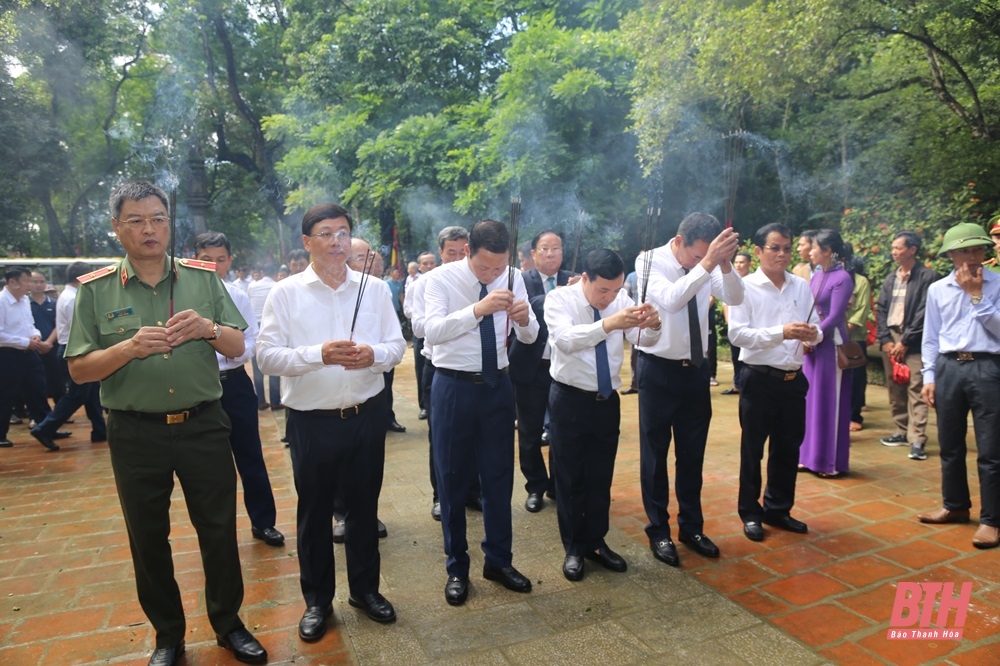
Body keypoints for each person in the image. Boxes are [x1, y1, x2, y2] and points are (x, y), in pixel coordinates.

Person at [65, 181, 266, 666]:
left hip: (203, 425)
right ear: (117, 228)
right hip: (136, 432)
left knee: (218, 529)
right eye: (136, 221)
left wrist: (209, 329)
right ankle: (168, 635)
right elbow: (79, 370)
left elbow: (238, 346)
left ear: (169, 223)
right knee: (147, 536)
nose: (149, 229)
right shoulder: (96, 289)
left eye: (157, 218)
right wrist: (128, 348)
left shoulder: (202, 279)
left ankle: (229, 623)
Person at [257, 203, 405, 636]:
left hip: (365, 415)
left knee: (363, 509)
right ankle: (318, 601)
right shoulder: (286, 293)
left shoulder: (373, 289)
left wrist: (373, 354)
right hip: (312, 421)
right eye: (326, 233)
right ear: (307, 242)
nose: (336, 241)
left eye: (342, 232)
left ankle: (366, 590)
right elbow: (266, 357)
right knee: (315, 513)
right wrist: (317, 355)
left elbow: (397, 345)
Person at [424, 219, 539, 606]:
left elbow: (531, 335)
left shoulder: (513, 276)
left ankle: (499, 560)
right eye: (484, 267)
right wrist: (478, 309)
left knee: (498, 476)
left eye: (499, 267)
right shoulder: (440, 279)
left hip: (497, 386)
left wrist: (524, 319)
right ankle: (457, 567)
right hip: (453, 385)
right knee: (453, 479)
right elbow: (430, 330)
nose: (492, 274)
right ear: (468, 252)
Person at [545, 248, 660, 580]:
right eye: (603, 290)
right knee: (570, 477)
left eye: (616, 289)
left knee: (600, 476)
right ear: (585, 278)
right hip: (569, 398)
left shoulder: (620, 298)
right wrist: (608, 323)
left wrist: (653, 324)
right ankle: (573, 547)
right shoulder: (559, 299)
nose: (610, 297)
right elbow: (565, 340)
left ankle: (596, 541)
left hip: (606, 401)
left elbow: (642, 339)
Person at [636, 212, 743, 567]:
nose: (700, 262)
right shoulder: (650, 260)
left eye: (705, 257)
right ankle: (658, 530)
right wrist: (708, 262)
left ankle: (691, 527)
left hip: (695, 371)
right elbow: (671, 299)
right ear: (680, 241)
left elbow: (735, 297)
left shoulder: (708, 260)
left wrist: (723, 264)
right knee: (655, 455)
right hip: (658, 369)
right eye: (697, 256)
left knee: (692, 454)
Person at [729, 224, 821, 542]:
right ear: (758, 251)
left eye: (787, 248)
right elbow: (737, 334)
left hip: (793, 380)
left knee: (787, 447)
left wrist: (813, 334)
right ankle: (750, 512)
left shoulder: (801, 286)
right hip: (759, 378)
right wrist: (781, 332)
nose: (782, 254)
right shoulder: (744, 288)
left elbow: (817, 327)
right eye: (775, 248)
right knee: (753, 449)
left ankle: (778, 508)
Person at [193, 232, 284, 548]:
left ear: (229, 261)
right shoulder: (180, 298)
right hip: (198, 387)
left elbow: (250, 342)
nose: (213, 266)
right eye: (206, 260)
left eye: (220, 259)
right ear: (194, 261)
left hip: (234, 384)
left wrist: (228, 351)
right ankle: (216, 532)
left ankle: (263, 522)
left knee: (250, 455)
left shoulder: (237, 296)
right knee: (207, 464)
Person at [917, 222, 1000, 549]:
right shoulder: (937, 289)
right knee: (950, 444)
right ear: (950, 255)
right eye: (965, 251)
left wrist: (976, 296)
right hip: (949, 367)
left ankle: (992, 519)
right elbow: (930, 336)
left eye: (978, 249)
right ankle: (955, 506)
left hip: (988, 367)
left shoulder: (997, 284)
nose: (973, 257)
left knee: (991, 449)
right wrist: (929, 376)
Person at [407, 226, 481, 520]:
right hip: (438, 368)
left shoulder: (479, 279)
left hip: (473, 369)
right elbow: (419, 328)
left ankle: (473, 491)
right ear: (440, 252)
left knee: (474, 435)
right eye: (451, 252)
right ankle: (441, 495)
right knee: (441, 438)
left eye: (463, 252)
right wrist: (459, 317)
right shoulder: (427, 283)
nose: (458, 258)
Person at [509, 230, 574, 513]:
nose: (551, 254)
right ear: (533, 254)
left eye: (556, 248)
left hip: (566, 368)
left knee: (563, 430)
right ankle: (535, 485)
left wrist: (578, 294)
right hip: (531, 368)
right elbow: (523, 308)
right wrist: (557, 296)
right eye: (544, 249)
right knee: (529, 431)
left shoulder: (576, 280)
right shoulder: (521, 280)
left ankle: (558, 485)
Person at [29, 262, 107, 450]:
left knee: (91, 392)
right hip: (74, 350)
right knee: (78, 395)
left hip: (74, 348)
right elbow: (82, 328)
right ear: (83, 276)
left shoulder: (68, 295)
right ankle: (45, 428)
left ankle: (100, 430)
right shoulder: (73, 298)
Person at [876, 231, 939, 461]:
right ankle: (902, 430)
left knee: (917, 388)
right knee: (895, 387)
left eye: (898, 248)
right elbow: (881, 308)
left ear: (912, 250)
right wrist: (886, 339)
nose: (894, 252)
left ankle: (917, 439)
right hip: (892, 338)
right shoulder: (891, 277)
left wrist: (905, 341)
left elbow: (924, 313)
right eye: (893, 248)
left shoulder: (928, 277)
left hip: (915, 340)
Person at [799, 229, 854, 478]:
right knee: (810, 401)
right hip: (813, 344)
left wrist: (814, 336)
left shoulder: (843, 278)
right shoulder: (818, 275)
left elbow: (835, 315)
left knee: (829, 401)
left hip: (831, 345)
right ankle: (809, 457)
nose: (810, 251)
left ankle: (829, 462)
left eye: (813, 247)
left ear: (828, 251)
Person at [0, 267, 56, 450]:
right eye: (27, 281)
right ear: (13, 282)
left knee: (38, 390)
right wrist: (26, 342)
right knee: (6, 395)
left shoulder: (24, 300)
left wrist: (35, 335)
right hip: (8, 355)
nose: (30, 285)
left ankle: (47, 429)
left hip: (29, 353)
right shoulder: (1, 302)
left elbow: (30, 324)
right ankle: (1, 435)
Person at [404, 251, 438, 420]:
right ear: (419, 266)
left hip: (440, 333)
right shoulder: (415, 285)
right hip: (422, 332)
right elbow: (407, 309)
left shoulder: (442, 281)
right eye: (425, 263)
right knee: (421, 369)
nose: (429, 266)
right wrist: (423, 314)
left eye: (432, 263)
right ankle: (424, 405)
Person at [844, 252, 873, 432]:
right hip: (833, 338)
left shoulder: (861, 282)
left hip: (853, 338)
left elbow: (862, 309)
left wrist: (846, 326)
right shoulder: (829, 278)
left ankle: (854, 416)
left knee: (855, 380)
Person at [247, 263, 280, 410]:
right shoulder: (276, 286)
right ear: (275, 273)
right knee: (275, 362)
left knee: (257, 365)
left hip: (255, 326)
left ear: (262, 272)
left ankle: (260, 401)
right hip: (271, 326)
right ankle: (275, 401)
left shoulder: (252, 286)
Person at [29, 270, 65, 402]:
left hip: (52, 347)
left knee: (57, 381)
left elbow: (59, 324)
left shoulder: (54, 303)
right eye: (35, 282)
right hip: (32, 348)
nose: (38, 285)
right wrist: (37, 343)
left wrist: (48, 342)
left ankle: (60, 409)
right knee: (35, 383)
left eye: (42, 281)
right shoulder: (24, 303)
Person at [721, 251, 752, 395]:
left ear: (750, 263)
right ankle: (738, 384)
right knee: (736, 357)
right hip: (734, 326)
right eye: (737, 262)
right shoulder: (730, 280)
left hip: (750, 327)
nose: (739, 265)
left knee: (748, 357)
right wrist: (730, 322)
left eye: (742, 262)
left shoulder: (753, 282)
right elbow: (726, 303)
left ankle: (748, 385)